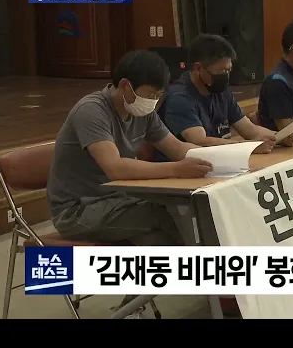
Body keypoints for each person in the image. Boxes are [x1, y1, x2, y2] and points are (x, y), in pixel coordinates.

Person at [47, 50, 213, 246]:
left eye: (158, 96)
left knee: (166, 231)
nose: (153, 101)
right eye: (150, 94)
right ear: (126, 85)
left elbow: (177, 148)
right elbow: (115, 168)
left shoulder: (143, 112)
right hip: (79, 210)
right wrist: (177, 169)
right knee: (170, 214)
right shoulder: (91, 111)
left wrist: (217, 159)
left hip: (121, 199)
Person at [157, 33, 277, 159]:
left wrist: (278, 137)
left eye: (229, 71)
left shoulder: (221, 91)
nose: (226, 76)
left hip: (217, 161)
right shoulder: (179, 98)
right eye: (222, 71)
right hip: (184, 166)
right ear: (198, 68)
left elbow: (249, 129)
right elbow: (200, 142)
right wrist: (248, 147)